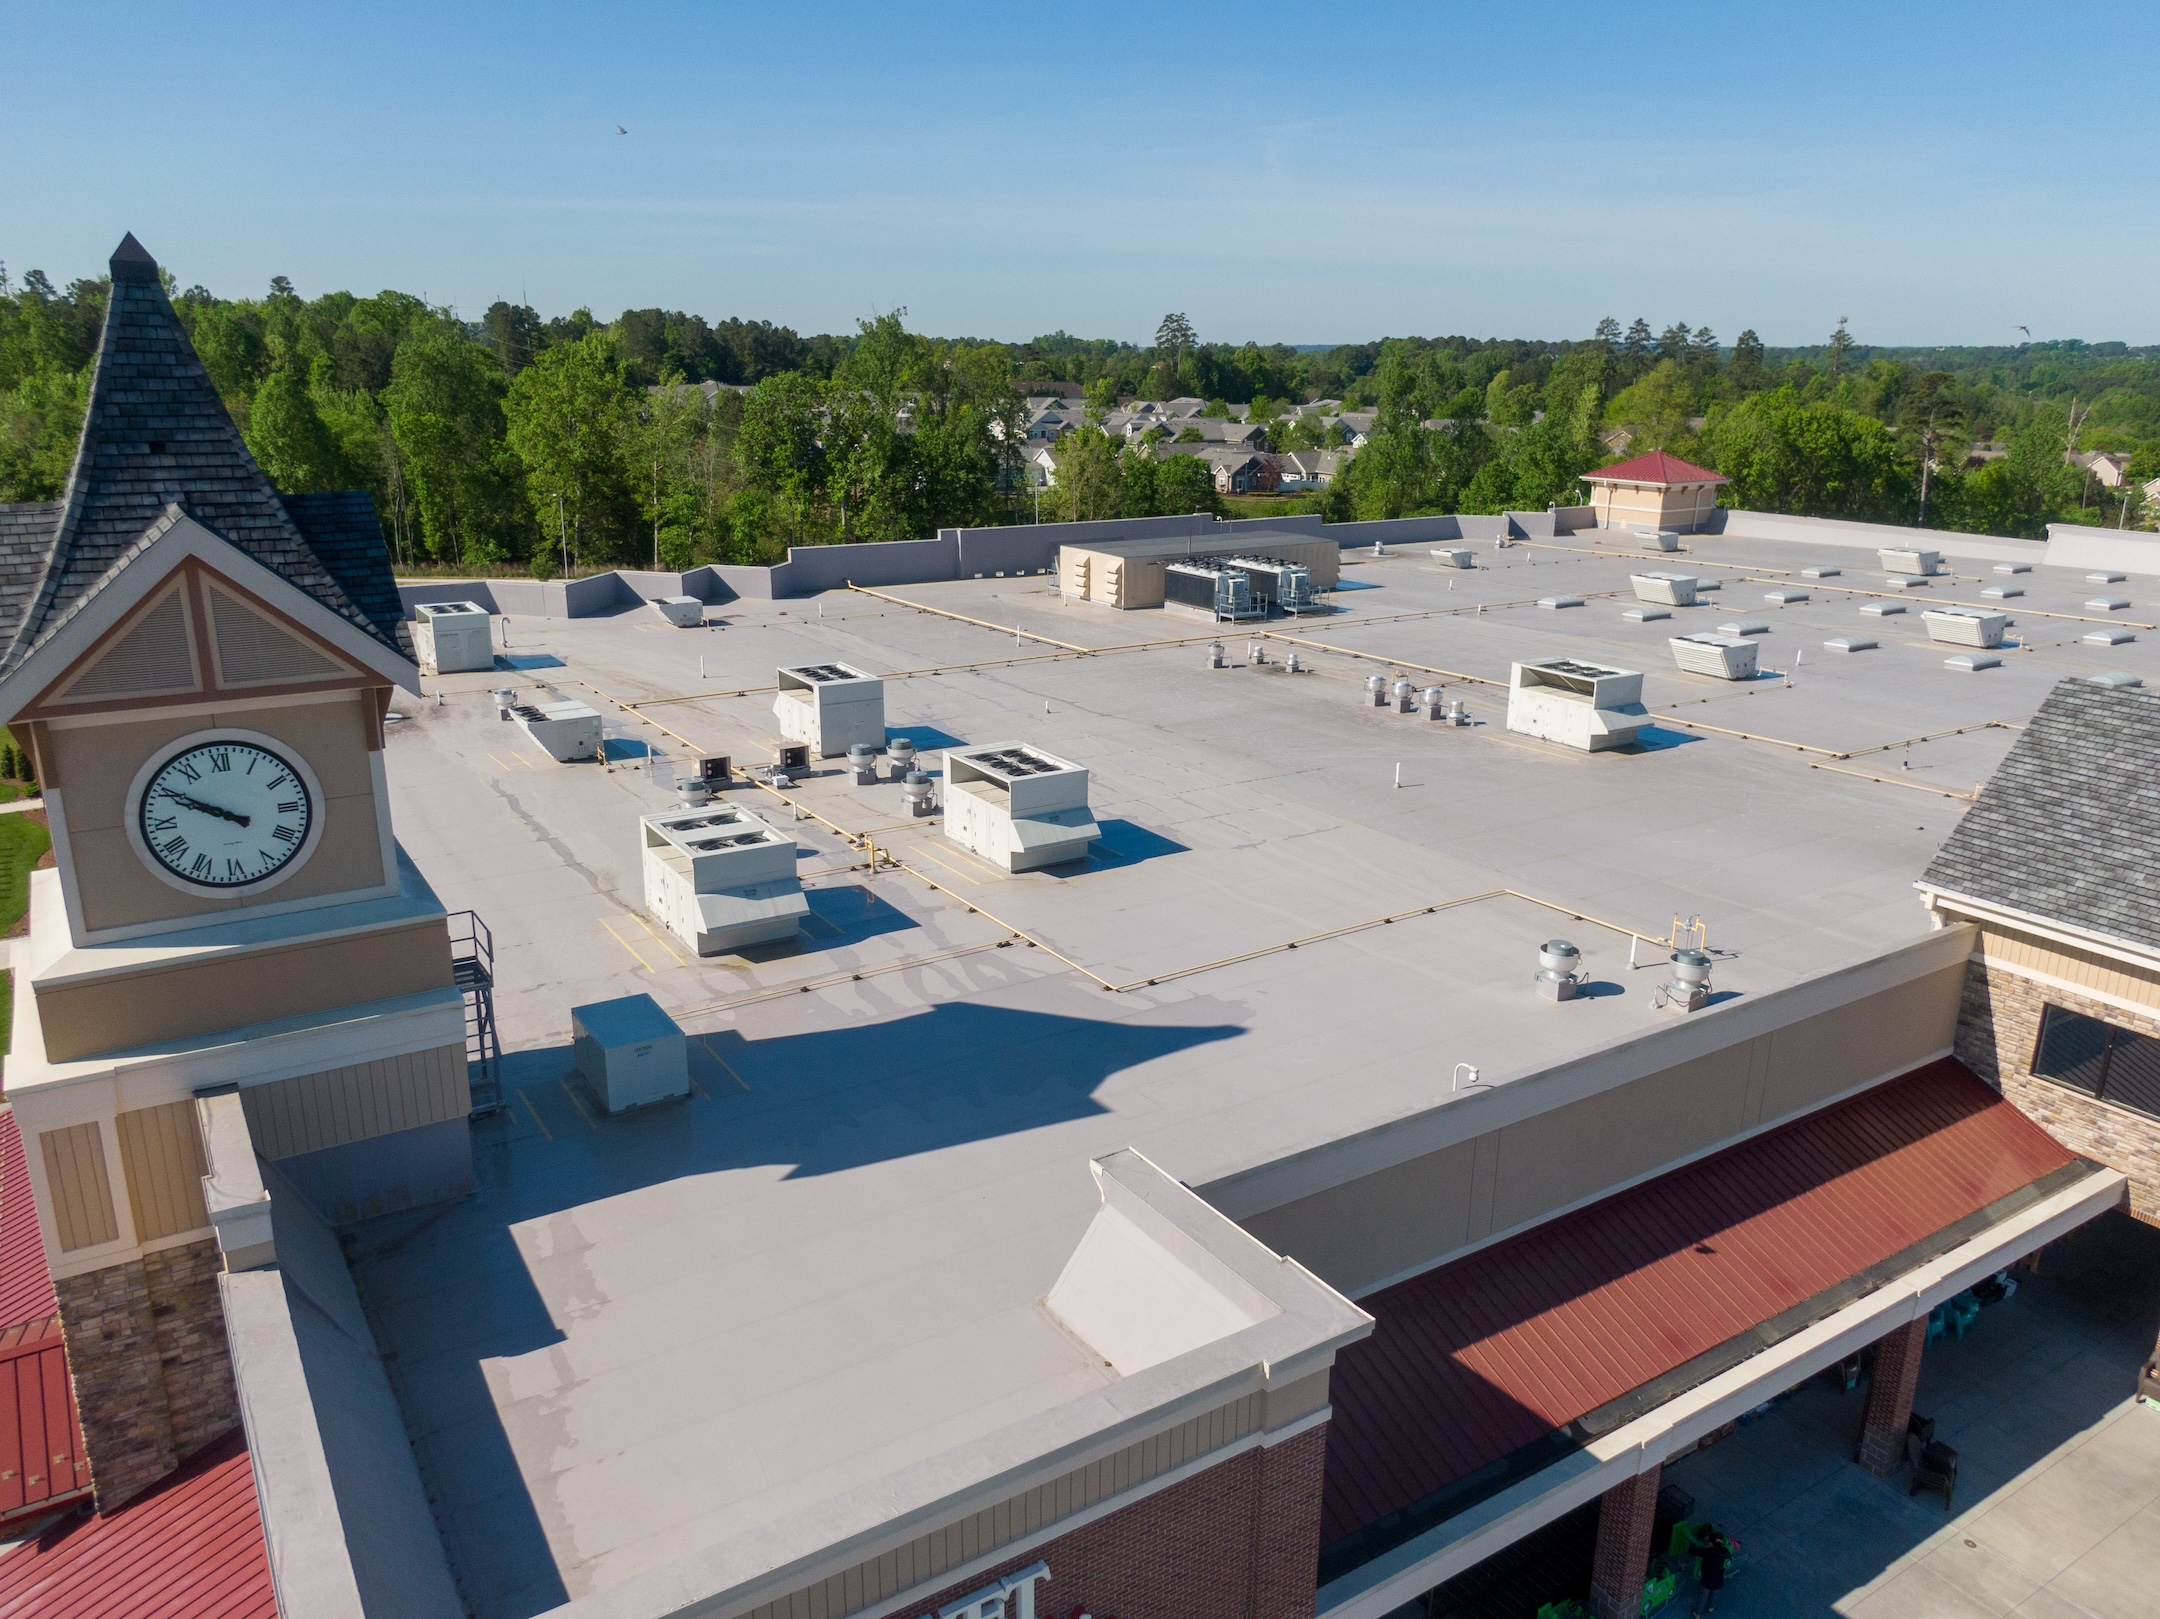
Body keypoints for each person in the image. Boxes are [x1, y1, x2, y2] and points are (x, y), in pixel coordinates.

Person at [1691, 1526, 1729, 1614]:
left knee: (1702, 1597)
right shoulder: (1724, 1551)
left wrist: (1694, 1541)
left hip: (1707, 1579)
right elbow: (1728, 1555)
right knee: (1714, 1594)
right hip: (1718, 1579)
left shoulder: (1707, 1552)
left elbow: (1692, 1551)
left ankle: (1697, 1614)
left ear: (1711, 1543)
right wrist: (1721, 1542)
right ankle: (1711, 1607)